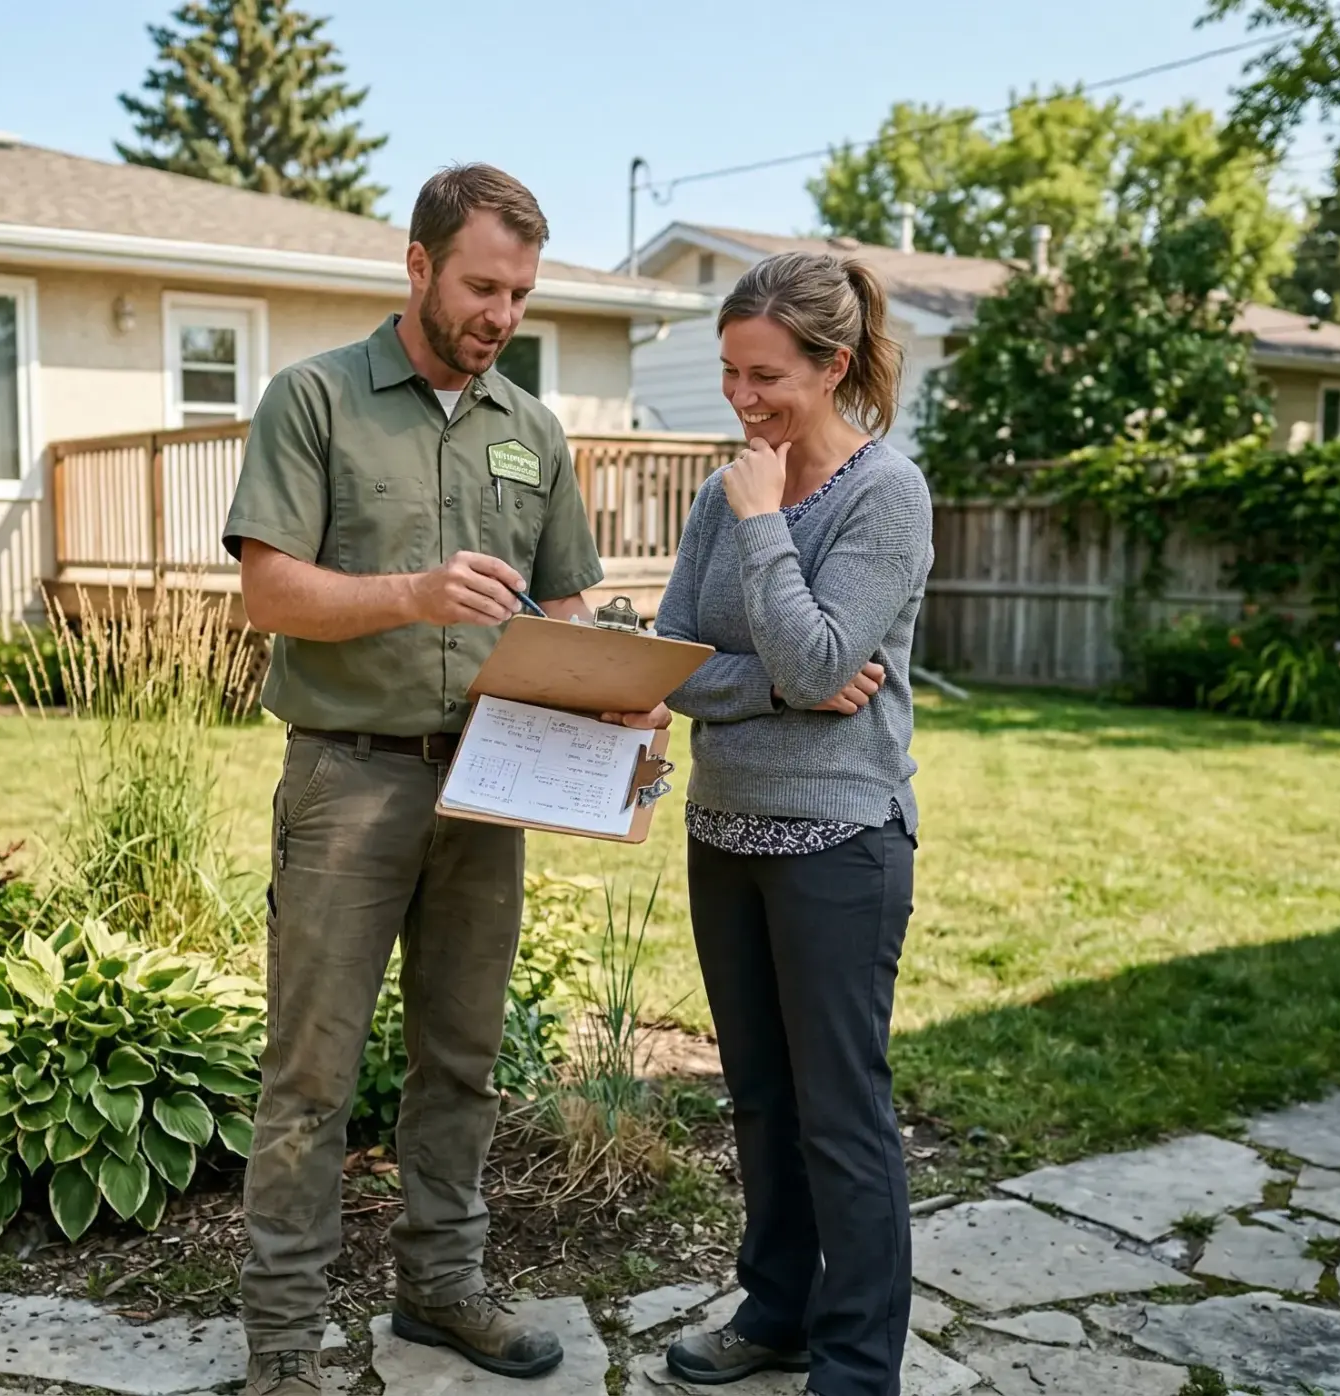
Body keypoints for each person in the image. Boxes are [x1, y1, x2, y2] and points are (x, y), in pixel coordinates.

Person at [221, 163, 650, 1396]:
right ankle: (286, 1344)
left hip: (490, 781)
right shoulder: (317, 399)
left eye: (518, 293)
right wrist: (411, 592)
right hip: (349, 780)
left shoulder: (533, 429)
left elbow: (566, 603)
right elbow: (267, 591)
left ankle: (441, 1286)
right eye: (480, 286)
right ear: (416, 267)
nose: (500, 314)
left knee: (460, 1059)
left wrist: (614, 701)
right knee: (311, 1073)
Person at [653, 251, 934, 1396]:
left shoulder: (884, 494)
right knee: (761, 1098)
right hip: (724, 832)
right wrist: (777, 682)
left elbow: (826, 649)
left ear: (830, 366)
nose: (743, 398)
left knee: (841, 1113)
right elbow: (676, 662)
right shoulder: (722, 494)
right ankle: (777, 1310)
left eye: (764, 374)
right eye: (729, 371)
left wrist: (767, 532)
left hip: (838, 843)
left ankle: (857, 1365)